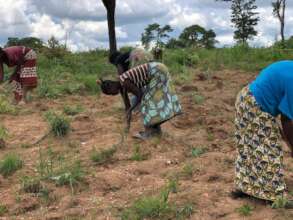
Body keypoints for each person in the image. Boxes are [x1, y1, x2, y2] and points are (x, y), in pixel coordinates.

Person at [233, 60, 293, 208]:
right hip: (255, 105)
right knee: (268, 150)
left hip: (245, 98)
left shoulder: (289, 67)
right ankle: (275, 197)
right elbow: (287, 121)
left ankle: (247, 188)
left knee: (249, 148)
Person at [98, 61, 182, 140]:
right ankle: (155, 130)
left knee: (146, 102)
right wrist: (127, 127)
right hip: (158, 69)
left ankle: (151, 132)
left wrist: (132, 109)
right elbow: (128, 108)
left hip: (157, 71)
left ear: (111, 85)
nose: (113, 94)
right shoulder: (122, 87)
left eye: (111, 93)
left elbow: (140, 95)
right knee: (148, 101)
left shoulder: (124, 81)